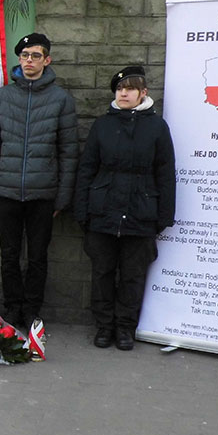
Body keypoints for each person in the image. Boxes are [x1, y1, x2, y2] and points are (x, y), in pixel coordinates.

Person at [73, 66, 176, 351]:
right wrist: (81, 211)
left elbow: (166, 173)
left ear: (143, 93)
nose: (123, 93)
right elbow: (87, 170)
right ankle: (104, 326)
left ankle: (125, 328)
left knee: (133, 275)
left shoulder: (157, 127)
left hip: (141, 213)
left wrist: (165, 215)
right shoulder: (102, 125)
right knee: (102, 272)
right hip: (103, 212)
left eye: (130, 89)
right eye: (119, 89)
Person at [0, 33, 78, 330]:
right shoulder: (3, 97)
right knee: (9, 255)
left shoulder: (60, 99)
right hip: (7, 191)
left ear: (46, 60)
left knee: (37, 257)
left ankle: (32, 310)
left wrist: (61, 198)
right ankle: (12, 309)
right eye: (25, 56)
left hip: (43, 194)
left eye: (36, 56)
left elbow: (69, 151)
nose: (29, 61)